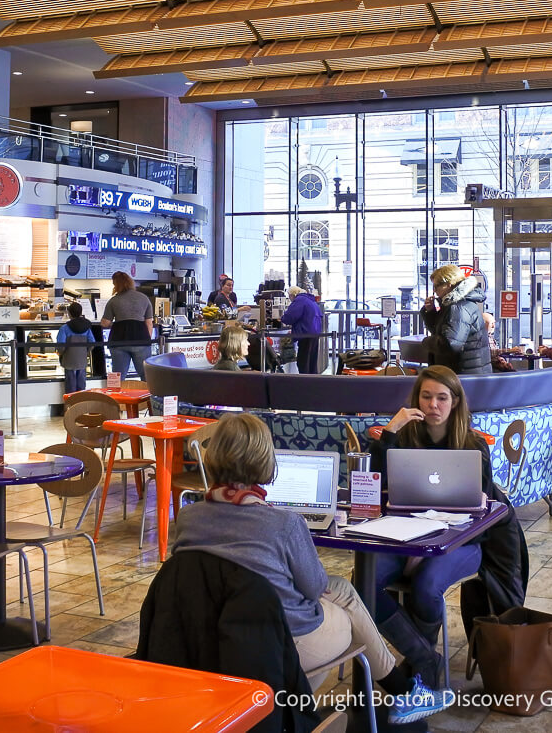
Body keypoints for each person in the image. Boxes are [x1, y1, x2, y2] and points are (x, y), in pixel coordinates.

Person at [171, 413, 455, 725]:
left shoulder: (188, 518)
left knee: (343, 589)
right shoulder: (284, 523)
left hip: (211, 637)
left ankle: (284, 713)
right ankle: (398, 693)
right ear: (265, 460)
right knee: (344, 598)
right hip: (283, 641)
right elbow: (314, 586)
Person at [368, 365, 527, 688]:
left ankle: (417, 664)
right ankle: (425, 658)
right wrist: (391, 431)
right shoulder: (404, 440)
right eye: (426, 397)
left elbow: (480, 512)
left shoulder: (473, 446)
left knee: (427, 587)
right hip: (406, 538)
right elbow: (372, 481)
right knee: (363, 582)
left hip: (462, 543)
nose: (433, 405)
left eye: (442, 398)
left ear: (455, 402)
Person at [421, 265, 490, 375]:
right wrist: (430, 312)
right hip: (466, 372)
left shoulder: (459, 307)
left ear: (449, 284)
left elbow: (450, 344)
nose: (434, 290)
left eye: (437, 286)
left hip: (464, 375)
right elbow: (440, 331)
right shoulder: (454, 304)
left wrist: (426, 342)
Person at [100, 271, 154, 380]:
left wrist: (115, 322)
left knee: (117, 377)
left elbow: (105, 323)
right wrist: (146, 339)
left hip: (119, 340)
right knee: (146, 375)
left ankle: (115, 396)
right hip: (141, 340)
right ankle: (149, 396)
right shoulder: (144, 298)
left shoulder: (113, 300)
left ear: (116, 284)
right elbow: (149, 323)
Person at [56, 301, 96, 393]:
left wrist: (61, 354)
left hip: (68, 361)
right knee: (81, 386)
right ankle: (81, 405)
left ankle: (71, 405)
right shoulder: (87, 327)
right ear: (81, 313)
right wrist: (85, 352)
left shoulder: (64, 328)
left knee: (70, 387)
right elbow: (92, 342)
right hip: (82, 361)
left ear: (69, 313)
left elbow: (60, 346)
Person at [281, 286, 322, 375]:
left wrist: (282, 318)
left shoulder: (299, 300)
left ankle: (304, 383)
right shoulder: (310, 300)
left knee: (303, 361)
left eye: (289, 296)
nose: (290, 299)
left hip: (305, 333)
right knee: (312, 361)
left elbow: (290, 316)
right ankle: (314, 383)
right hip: (315, 333)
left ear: (293, 294)